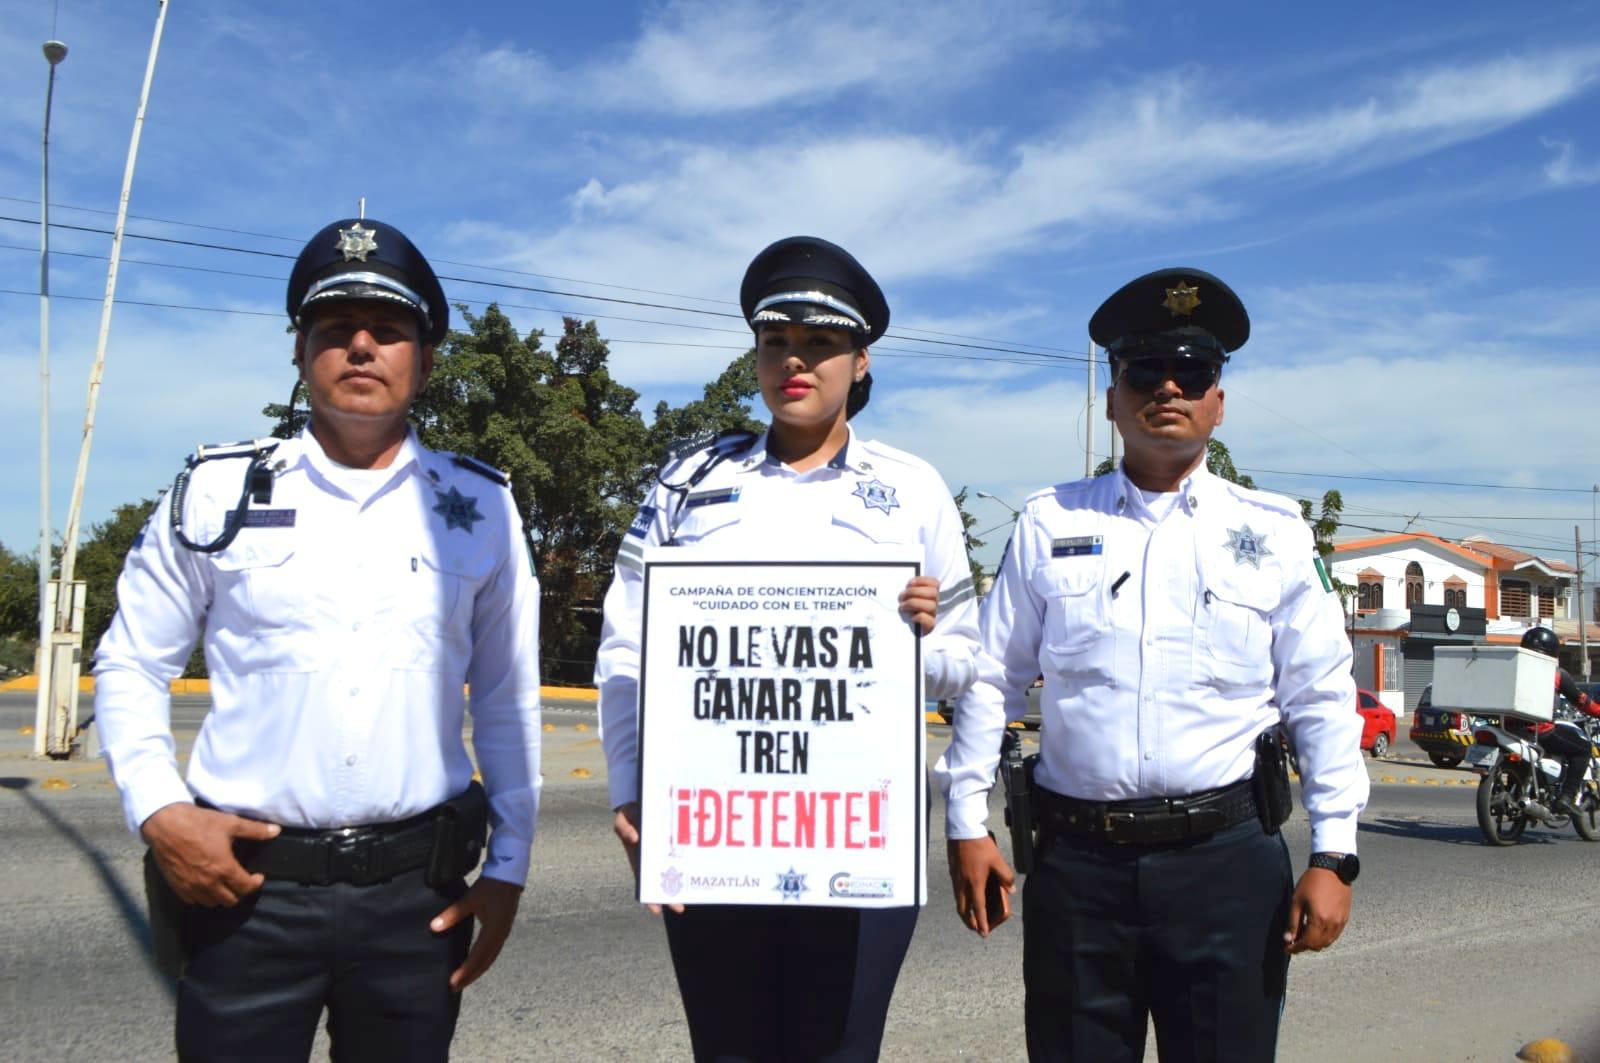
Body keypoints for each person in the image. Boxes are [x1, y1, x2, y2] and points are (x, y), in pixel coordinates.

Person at [94, 217, 543, 1061]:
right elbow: (130, 659)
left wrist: (511, 864)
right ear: (300, 351)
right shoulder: (218, 491)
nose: (362, 346)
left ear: (427, 358)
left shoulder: (480, 506)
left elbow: (511, 696)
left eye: (390, 329)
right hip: (245, 894)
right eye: (336, 328)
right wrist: (158, 810)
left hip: (419, 898)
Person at [935, 267, 1370, 1062]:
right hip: (1079, 870)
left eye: (1193, 372)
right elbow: (991, 679)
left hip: (1226, 869)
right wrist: (965, 819)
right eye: (1144, 371)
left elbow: (1320, 697)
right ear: (1112, 396)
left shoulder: (1272, 531)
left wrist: (1335, 852)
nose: (1167, 387)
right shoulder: (1049, 522)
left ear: (1217, 400)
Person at [595, 235, 980, 1061]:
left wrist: (919, 639)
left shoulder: (911, 489)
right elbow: (627, 643)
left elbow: (966, 663)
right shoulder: (688, 480)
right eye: (776, 343)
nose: (794, 362)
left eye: (819, 344)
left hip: (857, 842)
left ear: (861, 360)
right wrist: (630, 789)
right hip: (715, 836)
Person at [1514, 626, 1599, 817]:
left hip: (1509, 728)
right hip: (1539, 730)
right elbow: (1581, 701)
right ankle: (1566, 798)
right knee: (1583, 749)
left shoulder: (1512, 667)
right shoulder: (1556, 674)